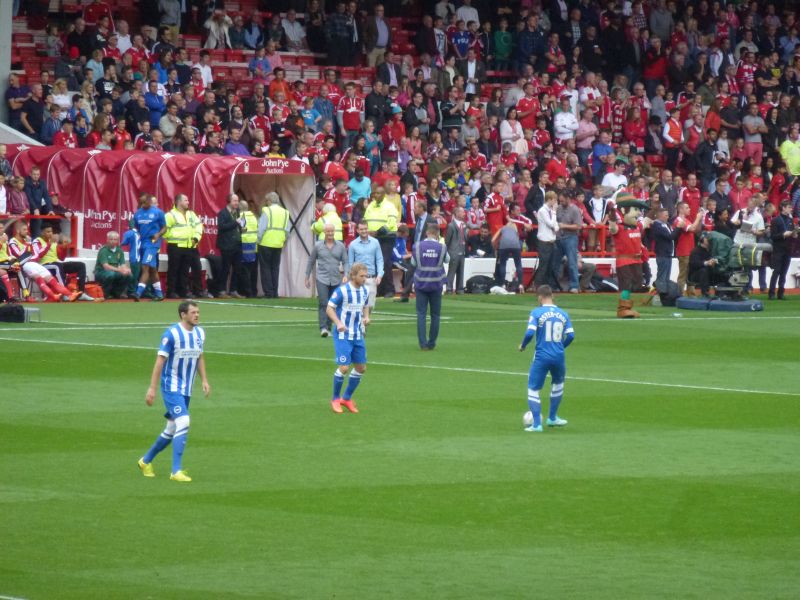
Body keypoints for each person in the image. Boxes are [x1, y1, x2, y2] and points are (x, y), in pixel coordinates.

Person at [137, 301, 210, 483]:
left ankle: (145, 461)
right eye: (193, 312)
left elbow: (200, 356)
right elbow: (159, 362)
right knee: (184, 421)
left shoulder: (200, 333)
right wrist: (152, 388)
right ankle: (175, 471)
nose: (197, 315)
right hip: (171, 387)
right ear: (183, 315)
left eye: (198, 312)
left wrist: (205, 380)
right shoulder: (171, 335)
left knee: (172, 428)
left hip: (186, 389)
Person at [518, 285, 574, 432]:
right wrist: (561, 346)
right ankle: (552, 418)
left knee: (533, 389)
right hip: (559, 356)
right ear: (552, 296)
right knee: (558, 384)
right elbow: (571, 335)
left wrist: (523, 345)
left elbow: (530, 333)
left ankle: (536, 424)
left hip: (542, 356)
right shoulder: (563, 313)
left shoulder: (536, 312)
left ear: (540, 297)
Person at [325, 262, 371, 414]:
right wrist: (338, 323)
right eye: (362, 276)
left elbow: (365, 305)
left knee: (361, 368)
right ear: (353, 275)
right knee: (344, 367)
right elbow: (329, 308)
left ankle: (346, 398)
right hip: (343, 334)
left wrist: (366, 317)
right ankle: (335, 399)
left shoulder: (365, 290)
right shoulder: (342, 291)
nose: (364, 279)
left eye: (366, 276)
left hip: (357, 334)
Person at [7, 220, 80, 302]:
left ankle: (70, 295)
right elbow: (18, 255)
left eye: (27, 229)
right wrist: (28, 245)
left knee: (52, 280)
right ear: (18, 230)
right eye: (24, 230)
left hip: (35, 263)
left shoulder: (28, 241)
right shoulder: (13, 241)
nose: (27, 232)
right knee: (39, 278)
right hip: (25, 264)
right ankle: (53, 296)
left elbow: (37, 255)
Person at [607, 193, 651, 318]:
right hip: (624, 260)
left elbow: (647, 220)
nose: (638, 213)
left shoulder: (637, 227)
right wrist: (612, 214)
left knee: (637, 283)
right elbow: (613, 228)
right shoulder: (620, 228)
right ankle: (623, 308)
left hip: (637, 260)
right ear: (623, 210)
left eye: (638, 210)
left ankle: (628, 306)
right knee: (626, 284)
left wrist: (653, 208)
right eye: (635, 210)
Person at [306, 223, 348, 338]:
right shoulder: (318, 246)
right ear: (324, 232)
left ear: (334, 232)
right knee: (323, 303)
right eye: (328, 231)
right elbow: (311, 261)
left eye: (332, 231)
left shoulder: (340, 246)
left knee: (333, 304)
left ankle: (330, 327)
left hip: (336, 279)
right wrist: (307, 276)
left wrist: (346, 274)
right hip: (322, 278)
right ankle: (323, 327)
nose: (330, 233)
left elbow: (345, 261)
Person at [413, 224, 448, 350]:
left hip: (421, 283)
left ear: (427, 233)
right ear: (437, 234)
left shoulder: (417, 246)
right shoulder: (442, 247)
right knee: (435, 315)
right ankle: (432, 342)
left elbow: (413, 262)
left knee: (421, 314)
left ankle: (422, 343)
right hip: (436, 283)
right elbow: (447, 260)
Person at [164, 193, 206, 299]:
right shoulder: (170, 215)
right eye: (185, 200)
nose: (188, 202)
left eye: (188, 200)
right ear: (178, 202)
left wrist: (196, 238)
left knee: (184, 271)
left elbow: (199, 226)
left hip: (189, 246)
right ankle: (171, 291)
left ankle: (183, 291)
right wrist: (172, 238)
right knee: (173, 270)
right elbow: (164, 230)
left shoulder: (191, 214)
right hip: (175, 246)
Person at [362, 185, 399, 298]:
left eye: (378, 193)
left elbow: (392, 222)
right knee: (373, 263)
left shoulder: (390, 206)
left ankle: (389, 289)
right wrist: (366, 230)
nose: (375, 195)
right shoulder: (371, 205)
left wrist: (377, 232)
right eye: (374, 193)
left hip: (386, 237)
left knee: (384, 262)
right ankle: (378, 289)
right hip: (372, 237)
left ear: (383, 194)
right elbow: (365, 219)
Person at [131, 193, 166, 301]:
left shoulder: (158, 213)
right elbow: (136, 228)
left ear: (150, 202)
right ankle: (159, 294)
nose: (142, 204)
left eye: (144, 202)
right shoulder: (137, 214)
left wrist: (158, 235)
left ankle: (138, 293)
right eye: (141, 202)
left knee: (145, 266)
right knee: (152, 269)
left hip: (152, 243)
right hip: (143, 244)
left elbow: (165, 228)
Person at [256, 192, 290, 298]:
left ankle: (268, 293)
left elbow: (261, 228)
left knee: (265, 268)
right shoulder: (285, 212)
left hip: (266, 242)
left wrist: (258, 240)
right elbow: (287, 230)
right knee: (275, 268)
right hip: (278, 243)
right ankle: (275, 292)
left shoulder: (267, 211)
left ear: (269, 201)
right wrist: (283, 240)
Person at [347, 221, 383, 314]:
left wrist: (380, 275)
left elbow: (379, 259)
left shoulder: (375, 242)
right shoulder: (353, 244)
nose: (364, 231)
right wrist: (351, 278)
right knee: (358, 306)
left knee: (370, 306)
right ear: (358, 230)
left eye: (365, 229)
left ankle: (363, 324)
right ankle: (360, 327)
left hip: (371, 278)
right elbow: (350, 263)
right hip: (358, 279)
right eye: (361, 229)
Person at [215, 193, 244, 298]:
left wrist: (242, 228)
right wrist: (235, 223)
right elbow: (222, 227)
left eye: (237, 201)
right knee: (225, 268)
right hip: (226, 245)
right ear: (229, 201)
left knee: (237, 268)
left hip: (237, 244)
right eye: (234, 201)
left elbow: (240, 224)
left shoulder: (238, 212)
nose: (237, 203)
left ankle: (233, 290)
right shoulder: (223, 213)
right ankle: (222, 290)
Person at [768, 200, 797, 300]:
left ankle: (781, 293)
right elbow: (773, 236)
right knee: (776, 271)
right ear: (783, 208)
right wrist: (783, 235)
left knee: (784, 272)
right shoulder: (776, 220)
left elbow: (792, 234)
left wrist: (794, 234)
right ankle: (771, 293)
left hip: (788, 249)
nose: (791, 209)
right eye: (789, 207)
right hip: (778, 249)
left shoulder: (790, 220)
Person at [94, 231, 134, 298]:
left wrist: (126, 270)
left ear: (118, 241)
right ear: (107, 240)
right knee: (110, 274)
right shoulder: (103, 250)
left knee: (129, 275)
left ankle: (117, 293)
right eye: (111, 239)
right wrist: (119, 270)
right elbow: (106, 266)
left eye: (115, 239)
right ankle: (105, 294)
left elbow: (122, 264)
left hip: (115, 271)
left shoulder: (119, 250)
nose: (113, 241)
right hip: (101, 272)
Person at [444, 206, 467, 294]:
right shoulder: (451, 225)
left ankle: (460, 288)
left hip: (462, 250)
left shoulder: (463, 224)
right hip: (453, 251)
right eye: (462, 212)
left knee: (461, 271)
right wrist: (448, 252)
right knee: (452, 271)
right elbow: (447, 240)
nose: (464, 213)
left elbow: (465, 237)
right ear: (456, 213)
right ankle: (449, 288)